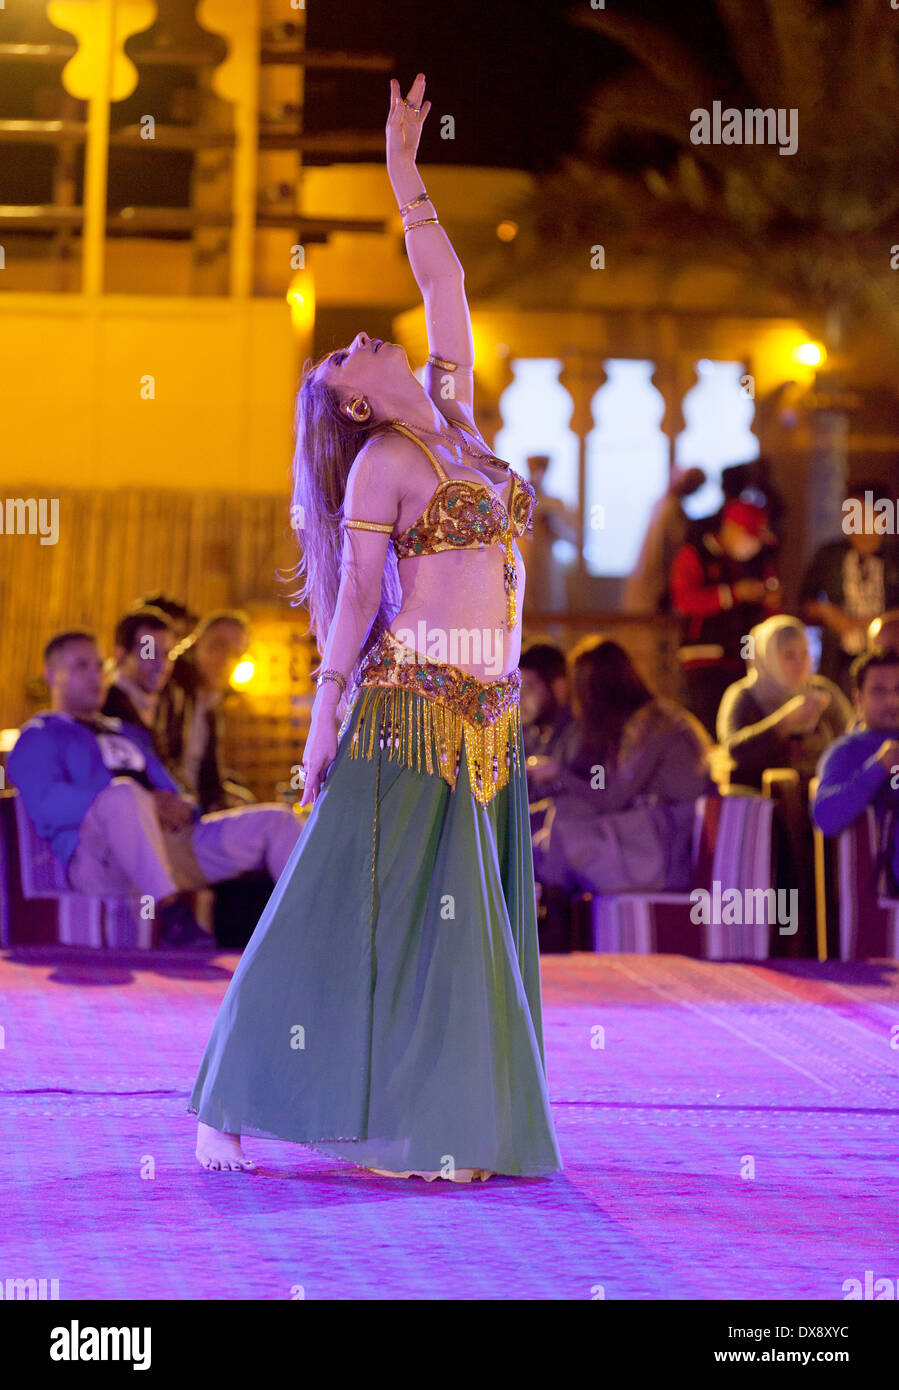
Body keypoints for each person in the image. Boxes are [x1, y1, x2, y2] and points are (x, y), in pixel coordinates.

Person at [188, 73, 562, 1182]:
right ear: (352, 403)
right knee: (333, 909)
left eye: (358, 340)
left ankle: (443, 1123)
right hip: (407, 714)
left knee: (461, 933)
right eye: (345, 354)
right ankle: (227, 1101)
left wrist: (406, 174)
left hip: (488, 723)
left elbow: (443, 276)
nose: (363, 339)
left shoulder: (456, 415)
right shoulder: (386, 465)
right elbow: (354, 602)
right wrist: (320, 723)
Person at [7, 632, 303, 946]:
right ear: (51, 675)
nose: (96, 675)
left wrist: (184, 806)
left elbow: (175, 790)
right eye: (81, 666)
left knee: (279, 821)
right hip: (101, 859)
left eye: (98, 665)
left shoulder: (127, 733)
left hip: (169, 847)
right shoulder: (38, 736)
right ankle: (173, 917)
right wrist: (143, 802)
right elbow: (45, 803)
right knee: (124, 794)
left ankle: (315, 931)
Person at [527, 636, 714, 897]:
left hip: (674, 846)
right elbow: (605, 791)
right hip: (657, 832)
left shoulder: (653, 724)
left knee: (565, 832)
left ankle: (554, 916)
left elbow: (611, 799)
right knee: (563, 814)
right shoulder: (639, 723)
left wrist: (559, 773)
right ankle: (552, 906)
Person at [670, 495, 782, 736]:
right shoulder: (695, 555)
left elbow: (773, 600)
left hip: (747, 659)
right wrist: (733, 593)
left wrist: (770, 600)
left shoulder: (759, 561)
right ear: (731, 529)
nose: (754, 544)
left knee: (748, 727)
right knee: (709, 727)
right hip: (704, 659)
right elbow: (683, 600)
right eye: (750, 536)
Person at [717, 615, 852, 791]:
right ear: (768, 657)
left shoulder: (821, 690)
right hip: (763, 804)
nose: (801, 663)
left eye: (804, 653)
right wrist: (784, 721)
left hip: (821, 797)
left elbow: (851, 734)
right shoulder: (744, 696)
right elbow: (734, 749)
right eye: (789, 655)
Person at [800, 481, 899, 697]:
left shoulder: (894, 558)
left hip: (888, 659)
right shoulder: (830, 555)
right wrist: (828, 612)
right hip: (838, 660)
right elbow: (805, 602)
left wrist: (867, 623)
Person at [812, 648, 899, 890]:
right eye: (879, 691)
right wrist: (879, 767)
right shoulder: (846, 752)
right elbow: (826, 818)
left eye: (898, 690)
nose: (892, 701)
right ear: (858, 699)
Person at [155, 610, 253, 813]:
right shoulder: (167, 686)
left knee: (247, 803)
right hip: (169, 804)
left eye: (235, 654)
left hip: (195, 806)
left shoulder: (212, 704)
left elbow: (210, 773)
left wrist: (220, 798)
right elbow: (158, 756)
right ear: (197, 641)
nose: (224, 659)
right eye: (218, 645)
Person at [622, 466, 706, 614]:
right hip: (655, 582)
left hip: (653, 581)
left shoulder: (666, 505)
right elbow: (671, 547)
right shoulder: (670, 508)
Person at [102, 606, 175, 758]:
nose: (161, 665)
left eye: (166, 654)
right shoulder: (107, 709)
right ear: (121, 655)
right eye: (149, 652)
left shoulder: (162, 702)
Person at [519, 455, 578, 616]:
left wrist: (554, 525)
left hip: (547, 564)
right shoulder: (518, 499)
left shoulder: (555, 503)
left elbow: (571, 536)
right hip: (524, 560)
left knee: (549, 605)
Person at [520, 641, 573, 760]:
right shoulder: (525, 734)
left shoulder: (577, 735)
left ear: (558, 686)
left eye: (528, 689)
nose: (519, 699)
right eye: (516, 690)